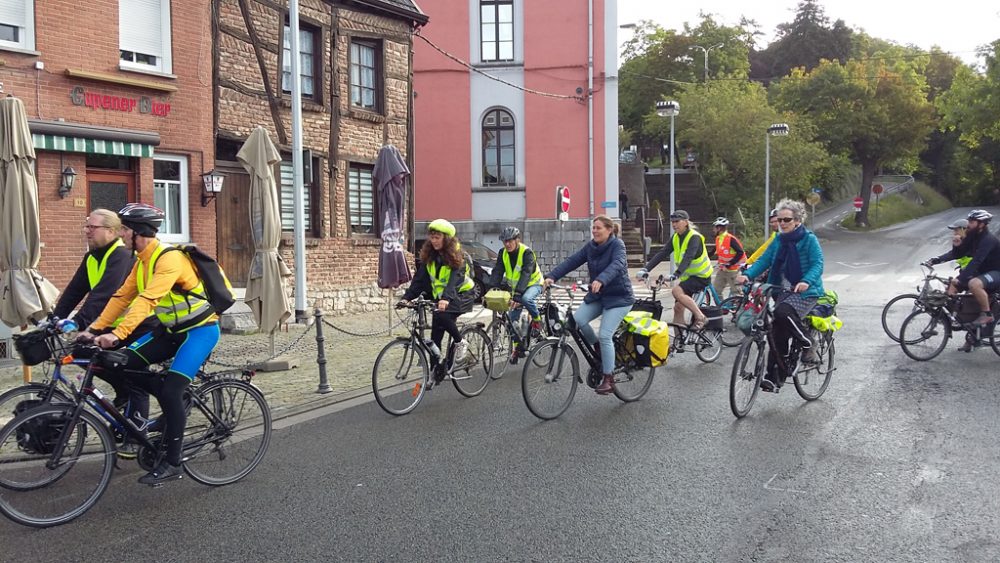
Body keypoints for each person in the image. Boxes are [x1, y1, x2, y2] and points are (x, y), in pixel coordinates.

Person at [79, 203, 222, 485]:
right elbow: (121, 297)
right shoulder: (141, 261)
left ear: (137, 232)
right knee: (123, 364)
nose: (120, 235)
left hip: (200, 331)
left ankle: (173, 462)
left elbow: (147, 300)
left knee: (170, 391)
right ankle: (173, 402)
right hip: (170, 331)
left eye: (124, 229)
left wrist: (118, 334)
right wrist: (93, 329)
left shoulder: (169, 259)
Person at [736, 199, 824, 392]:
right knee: (776, 333)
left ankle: (807, 341)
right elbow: (764, 260)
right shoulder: (778, 240)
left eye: (787, 219)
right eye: (780, 219)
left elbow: (818, 264)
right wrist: (747, 275)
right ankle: (774, 377)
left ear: (797, 220)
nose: (782, 223)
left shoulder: (809, 239)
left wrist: (806, 281)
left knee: (782, 313)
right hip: (782, 290)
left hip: (806, 292)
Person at [544, 215, 633, 395]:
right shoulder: (591, 247)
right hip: (599, 296)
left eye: (598, 228)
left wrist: (601, 279)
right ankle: (599, 349)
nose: (594, 231)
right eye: (593, 228)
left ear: (609, 230)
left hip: (619, 298)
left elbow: (617, 264)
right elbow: (572, 261)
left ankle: (609, 378)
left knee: (605, 334)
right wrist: (552, 276)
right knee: (577, 320)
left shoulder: (618, 246)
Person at [398, 219, 475, 377]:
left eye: (437, 237)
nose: (433, 241)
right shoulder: (431, 258)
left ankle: (461, 342)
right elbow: (419, 280)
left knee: (442, 316)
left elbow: (455, 280)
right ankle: (436, 372)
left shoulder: (459, 257)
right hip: (442, 299)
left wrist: (446, 298)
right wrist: (407, 298)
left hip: (462, 295)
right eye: (431, 238)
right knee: (435, 337)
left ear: (446, 239)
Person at [922, 209, 1000, 351]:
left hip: (996, 272)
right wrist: (956, 244)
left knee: (973, 283)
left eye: (971, 222)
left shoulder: (988, 240)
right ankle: (958, 320)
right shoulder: (972, 236)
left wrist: (962, 279)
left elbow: (976, 261)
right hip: (982, 272)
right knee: (953, 285)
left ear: (981, 224)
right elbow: (959, 253)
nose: (968, 224)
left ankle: (987, 315)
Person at [52, 209, 134, 330]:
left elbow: (103, 295)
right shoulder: (91, 256)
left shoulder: (123, 255)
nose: (86, 231)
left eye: (92, 227)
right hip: (109, 325)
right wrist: (55, 319)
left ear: (110, 231)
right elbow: (74, 291)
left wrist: (77, 323)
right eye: (86, 226)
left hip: (133, 325)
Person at [637, 209, 711, 331]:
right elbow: (663, 253)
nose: (674, 224)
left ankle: (700, 316)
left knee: (676, 291)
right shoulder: (676, 238)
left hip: (701, 276)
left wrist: (676, 274)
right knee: (678, 308)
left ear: (686, 222)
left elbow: (689, 256)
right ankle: (679, 342)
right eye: (672, 222)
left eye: (677, 221)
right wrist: (646, 269)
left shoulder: (694, 237)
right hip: (688, 277)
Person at [488, 226, 544, 358]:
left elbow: (526, 273)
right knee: (511, 320)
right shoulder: (503, 253)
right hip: (517, 288)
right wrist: (492, 288)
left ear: (517, 240)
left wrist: (517, 295)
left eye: (510, 241)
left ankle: (537, 321)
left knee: (526, 299)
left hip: (534, 284)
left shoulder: (527, 253)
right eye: (505, 241)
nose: (507, 244)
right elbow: (498, 271)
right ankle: (518, 348)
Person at [712, 217, 746, 297]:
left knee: (736, 293)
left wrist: (730, 263)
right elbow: (713, 251)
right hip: (723, 269)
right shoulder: (718, 238)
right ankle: (721, 309)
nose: (713, 230)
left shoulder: (730, 239)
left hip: (733, 270)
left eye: (714, 228)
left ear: (719, 228)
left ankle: (737, 308)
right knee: (715, 291)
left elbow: (740, 252)